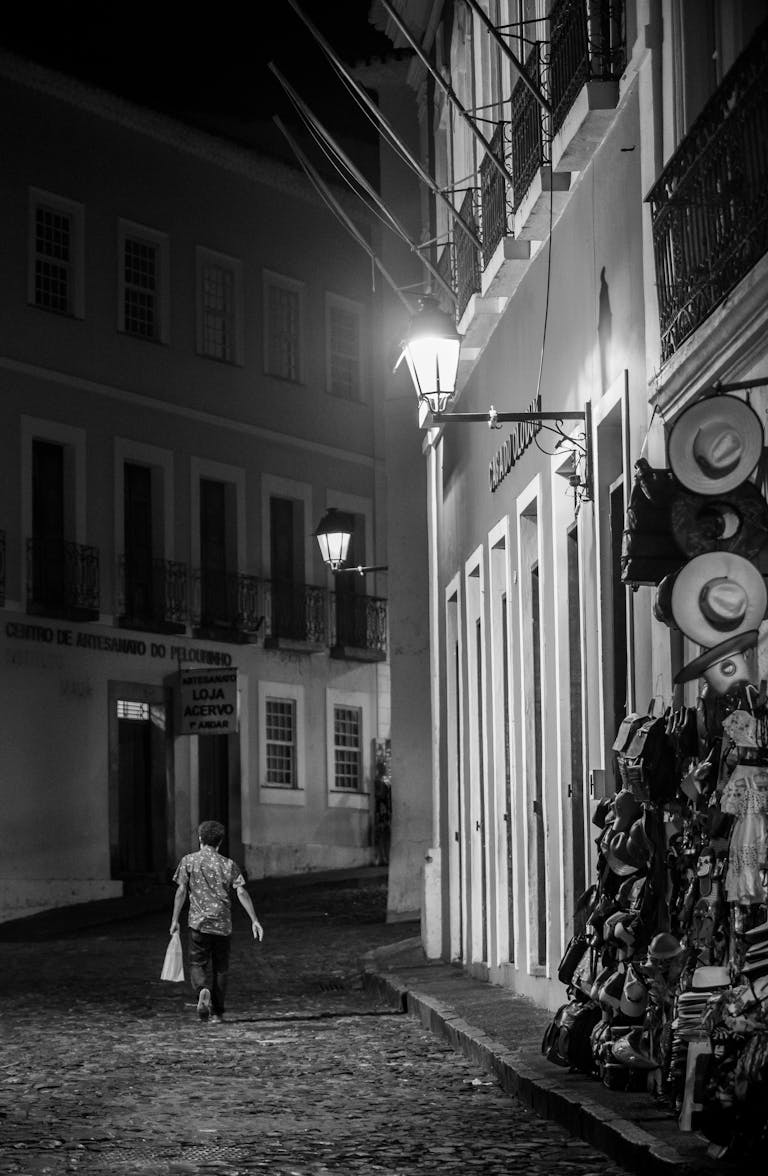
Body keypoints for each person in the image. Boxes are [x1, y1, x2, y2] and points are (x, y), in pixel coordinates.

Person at [170, 819, 263, 1023]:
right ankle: (218, 1013)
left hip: (198, 923)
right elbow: (241, 891)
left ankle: (203, 989)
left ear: (200, 838)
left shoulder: (188, 861)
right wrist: (254, 920)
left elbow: (181, 891)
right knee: (221, 968)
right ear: (220, 842)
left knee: (197, 962)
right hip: (222, 924)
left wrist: (175, 919)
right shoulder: (228, 864)